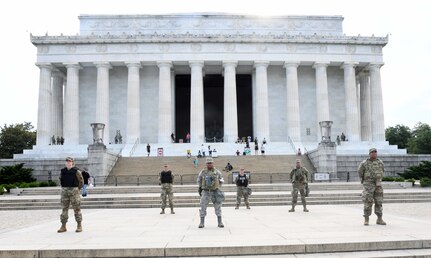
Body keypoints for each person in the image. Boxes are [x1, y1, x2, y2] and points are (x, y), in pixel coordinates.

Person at [358, 148, 386, 226]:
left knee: (379, 201)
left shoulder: (380, 162)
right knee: (368, 201)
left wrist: (379, 179)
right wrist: (364, 181)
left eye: (375, 152)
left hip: (378, 185)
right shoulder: (364, 163)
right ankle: (366, 219)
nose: (374, 154)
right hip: (368, 185)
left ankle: (379, 219)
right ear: (369, 154)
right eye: (372, 152)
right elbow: (360, 172)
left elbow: (382, 170)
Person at [57, 157, 84, 233]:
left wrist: (77, 189)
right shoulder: (63, 171)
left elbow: (81, 181)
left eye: (70, 161)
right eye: (67, 161)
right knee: (64, 209)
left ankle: (79, 225)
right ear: (65, 162)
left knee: (77, 209)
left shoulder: (76, 171)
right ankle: (63, 226)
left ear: (72, 162)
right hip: (65, 192)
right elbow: (61, 180)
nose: (68, 163)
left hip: (74, 191)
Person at [197, 158, 225, 228]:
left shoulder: (217, 172)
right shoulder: (202, 172)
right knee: (203, 206)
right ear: (206, 164)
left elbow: (221, 180)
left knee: (218, 207)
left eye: (210, 163)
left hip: (215, 192)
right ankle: (202, 222)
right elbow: (199, 180)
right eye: (208, 163)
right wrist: (200, 188)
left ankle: (220, 222)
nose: (209, 164)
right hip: (206, 192)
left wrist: (218, 187)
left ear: (213, 163)